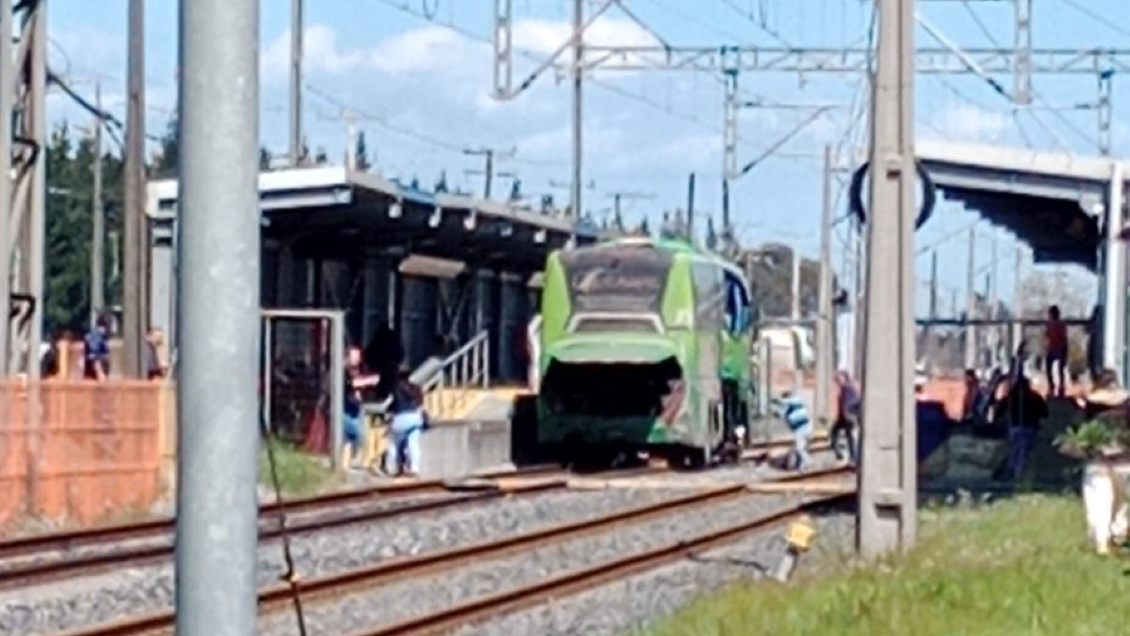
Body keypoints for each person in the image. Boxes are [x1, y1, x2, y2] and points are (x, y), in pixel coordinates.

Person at [383, 365, 428, 477]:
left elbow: (389, 406)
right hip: (415, 418)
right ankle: (414, 468)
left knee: (393, 444)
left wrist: (387, 418)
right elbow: (420, 404)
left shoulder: (394, 389)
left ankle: (392, 468)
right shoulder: (416, 388)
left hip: (400, 419)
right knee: (413, 443)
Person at [341, 345, 380, 469]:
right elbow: (352, 384)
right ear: (347, 357)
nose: (358, 359)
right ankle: (359, 459)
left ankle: (345, 464)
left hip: (354, 407)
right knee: (359, 434)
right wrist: (369, 381)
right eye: (355, 356)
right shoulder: (343, 370)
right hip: (344, 408)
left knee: (349, 438)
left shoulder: (357, 370)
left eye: (359, 356)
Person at [1003, 374, 1048, 480]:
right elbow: (1044, 413)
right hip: (1029, 427)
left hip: (1015, 426)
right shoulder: (1035, 397)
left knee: (1015, 448)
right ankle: (1018, 472)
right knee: (1023, 451)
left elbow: (1001, 408)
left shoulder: (1011, 398)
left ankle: (1012, 469)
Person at [771, 390, 812, 471]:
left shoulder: (795, 400)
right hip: (802, 427)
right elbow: (781, 415)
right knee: (799, 447)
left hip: (802, 427)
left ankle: (807, 461)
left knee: (799, 448)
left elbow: (784, 402)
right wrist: (776, 413)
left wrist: (777, 401)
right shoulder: (787, 408)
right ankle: (800, 465)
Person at [831, 370, 860, 464]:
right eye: (836, 380)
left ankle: (853, 458)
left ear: (845, 378)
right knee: (834, 434)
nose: (837, 381)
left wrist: (850, 415)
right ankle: (841, 454)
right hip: (842, 418)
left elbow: (853, 402)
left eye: (839, 379)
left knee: (850, 437)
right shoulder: (843, 389)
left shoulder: (849, 388)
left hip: (848, 418)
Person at [1044, 305, 1068, 398]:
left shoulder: (1052, 325)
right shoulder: (1059, 324)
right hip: (1057, 348)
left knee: (1053, 368)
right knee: (1059, 369)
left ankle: (1054, 386)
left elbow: (1048, 336)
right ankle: (1059, 387)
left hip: (1056, 348)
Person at [83, 316, 111, 380]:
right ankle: (102, 378)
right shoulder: (95, 334)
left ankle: (103, 377)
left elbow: (105, 350)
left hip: (98, 357)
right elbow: (94, 350)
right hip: (93, 358)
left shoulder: (102, 336)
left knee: (104, 360)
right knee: (96, 362)